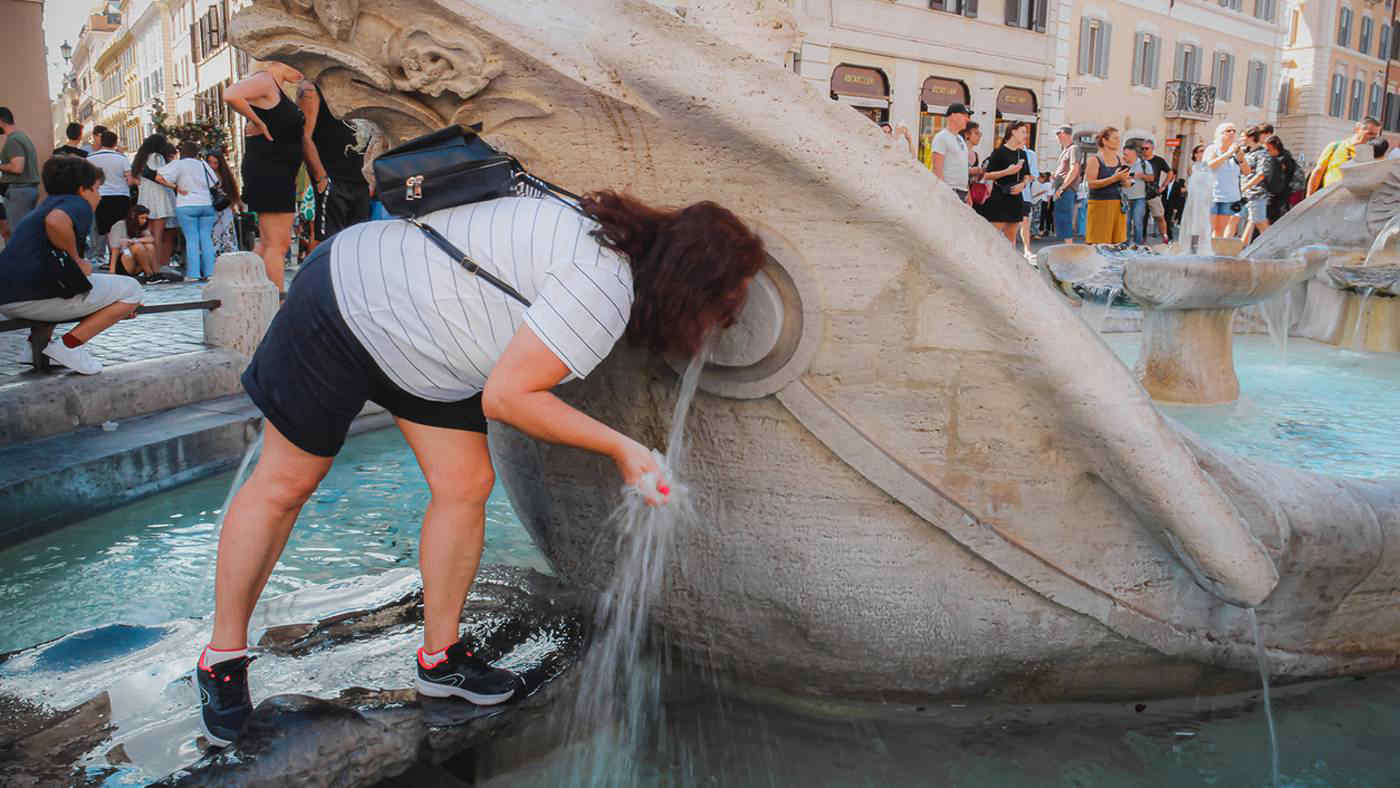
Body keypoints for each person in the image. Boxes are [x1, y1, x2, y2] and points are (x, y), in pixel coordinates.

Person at [193, 189, 767, 747]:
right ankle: (221, 658)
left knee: (466, 483)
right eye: (722, 308)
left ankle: (439, 660)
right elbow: (508, 400)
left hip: (424, 342)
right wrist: (624, 449)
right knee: (286, 483)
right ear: (690, 290)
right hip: (345, 303)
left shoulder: (612, 240)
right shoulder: (603, 292)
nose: (721, 325)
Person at [0, 157, 143, 374]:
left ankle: (34, 347)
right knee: (131, 290)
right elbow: (56, 221)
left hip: (8, 298)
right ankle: (70, 347)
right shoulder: (76, 204)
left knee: (67, 283)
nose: (99, 195)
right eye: (96, 188)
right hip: (30, 299)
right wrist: (76, 260)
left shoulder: (45, 205)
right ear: (82, 189)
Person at [223, 61, 306, 291]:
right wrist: (259, 122)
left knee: (272, 242)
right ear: (281, 60)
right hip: (270, 170)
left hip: (277, 170)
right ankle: (276, 300)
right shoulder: (265, 80)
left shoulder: (275, 87)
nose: (302, 70)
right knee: (276, 244)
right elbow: (230, 94)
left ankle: (244, 289)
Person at [298, 78, 373, 247]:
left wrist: (370, 177)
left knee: (359, 243)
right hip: (333, 180)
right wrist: (321, 179)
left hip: (360, 181)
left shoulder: (359, 83)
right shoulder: (311, 89)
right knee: (329, 245)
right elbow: (303, 136)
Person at [156, 140, 220, 281]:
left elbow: (158, 177)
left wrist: (175, 187)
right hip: (206, 204)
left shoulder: (178, 164)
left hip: (186, 204)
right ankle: (210, 273)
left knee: (192, 239)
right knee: (206, 239)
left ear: (182, 152)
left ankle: (193, 274)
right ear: (196, 153)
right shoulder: (203, 164)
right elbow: (215, 182)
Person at [977, 121, 1031, 244]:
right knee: (992, 238)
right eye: (1023, 132)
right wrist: (1007, 172)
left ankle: (1008, 263)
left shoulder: (1022, 153)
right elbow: (987, 175)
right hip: (999, 197)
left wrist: (1022, 185)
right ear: (1013, 132)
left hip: (1016, 198)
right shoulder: (999, 152)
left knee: (1011, 240)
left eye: (1026, 132)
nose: (1025, 135)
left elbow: (1027, 175)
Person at [132, 134, 176, 272]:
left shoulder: (140, 158)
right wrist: (176, 187)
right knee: (158, 236)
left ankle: (149, 265)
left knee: (148, 233)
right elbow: (161, 176)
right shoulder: (157, 157)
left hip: (146, 198)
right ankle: (158, 266)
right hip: (159, 198)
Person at [87, 130, 133, 258]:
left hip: (101, 196)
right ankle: (120, 258)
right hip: (121, 196)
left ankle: (110, 258)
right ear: (115, 142)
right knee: (120, 228)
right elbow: (129, 180)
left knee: (106, 230)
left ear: (101, 142)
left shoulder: (90, 158)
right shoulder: (121, 158)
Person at [1307, 116, 1381, 195]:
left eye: (1375, 136)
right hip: (1328, 200)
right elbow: (1318, 173)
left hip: (1352, 203)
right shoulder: (1335, 147)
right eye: (1370, 134)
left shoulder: (1372, 154)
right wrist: (1308, 199)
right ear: (1357, 129)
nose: (1372, 138)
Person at [1083, 126, 1130, 245]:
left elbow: (1127, 183)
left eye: (1118, 138)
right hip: (1100, 205)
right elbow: (1091, 184)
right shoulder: (1094, 159)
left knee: (1117, 245)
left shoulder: (1120, 160)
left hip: (1118, 205)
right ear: (1104, 140)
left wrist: (1125, 181)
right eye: (1115, 138)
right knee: (1098, 245)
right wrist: (1114, 178)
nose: (1118, 141)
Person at [1202, 122, 1250, 239]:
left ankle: (1215, 255)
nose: (1232, 133)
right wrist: (1228, 153)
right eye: (1228, 131)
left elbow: (1247, 172)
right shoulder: (1212, 149)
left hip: (1229, 197)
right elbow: (1209, 166)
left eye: (1234, 131)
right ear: (1219, 134)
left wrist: (1241, 159)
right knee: (1208, 229)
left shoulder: (1237, 152)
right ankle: (1200, 253)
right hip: (1212, 195)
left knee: (1220, 232)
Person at [0, 107, 42, 226]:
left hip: (19, 192)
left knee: (18, 232)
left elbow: (17, 167)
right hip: (25, 191)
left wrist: (1, 166)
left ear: (1, 121)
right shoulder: (21, 137)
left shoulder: (13, 140)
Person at [1241, 135, 1283, 246]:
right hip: (1248, 194)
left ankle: (1273, 246)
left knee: (1260, 222)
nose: (1240, 139)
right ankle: (1242, 247)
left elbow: (1261, 175)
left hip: (1257, 193)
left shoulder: (1262, 154)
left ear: (1250, 137)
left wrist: (1245, 187)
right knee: (1253, 221)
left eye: (1242, 136)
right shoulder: (1247, 152)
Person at [930, 103, 972, 204]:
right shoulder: (941, 137)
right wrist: (944, 193)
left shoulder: (960, 139)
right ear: (953, 116)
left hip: (962, 192)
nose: (968, 119)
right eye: (964, 115)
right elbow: (937, 168)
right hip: (950, 191)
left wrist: (968, 193)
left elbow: (963, 169)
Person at [206, 150, 243, 255]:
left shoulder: (225, 176)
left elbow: (231, 193)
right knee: (214, 236)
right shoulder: (205, 176)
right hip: (211, 210)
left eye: (215, 163)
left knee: (227, 235)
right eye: (209, 162)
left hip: (224, 211)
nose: (212, 165)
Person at [109, 203, 158, 278]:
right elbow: (115, 250)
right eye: (142, 218)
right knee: (138, 247)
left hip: (136, 262)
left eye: (146, 218)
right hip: (123, 261)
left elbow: (151, 239)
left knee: (150, 246)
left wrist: (133, 240)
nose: (144, 221)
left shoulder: (141, 227)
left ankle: (155, 272)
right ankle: (149, 274)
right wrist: (112, 272)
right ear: (133, 216)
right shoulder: (120, 225)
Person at [1051, 125, 1081, 244]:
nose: (1057, 136)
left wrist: (1062, 188)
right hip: (1062, 188)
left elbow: (1075, 169)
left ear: (1064, 134)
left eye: (1059, 134)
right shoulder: (1066, 150)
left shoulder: (1073, 148)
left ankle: (1068, 248)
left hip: (1066, 189)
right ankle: (1066, 247)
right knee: (1061, 218)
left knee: (1064, 218)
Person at [1140, 140, 1169, 241]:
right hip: (1140, 194)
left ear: (1152, 149)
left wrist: (1164, 186)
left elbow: (1170, 172)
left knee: (1159, 217)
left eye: (1146, 148)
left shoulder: (1159, 160)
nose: (1144, 150)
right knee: (1141, 219)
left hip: (1153, 194)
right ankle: (1141, 240)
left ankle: (1165, 237)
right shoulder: (1139, 160)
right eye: (1142, 148)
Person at [1267, 137, 1298, 223]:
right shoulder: (1283, 156)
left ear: (1275, 148)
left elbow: (1286, 175)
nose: (1268, 152)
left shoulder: (1284, 159)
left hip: (1281, 193)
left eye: (1269, 150)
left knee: (1275, 216)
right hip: (1278, 193)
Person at [1018, 142, 1040, 259]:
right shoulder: (1006, 150)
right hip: (1008, 192)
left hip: (1024, 193)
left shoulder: (1030, 154)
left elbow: (1034, 174)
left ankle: (1027, 249)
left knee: (1025, 222)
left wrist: (1022, 183)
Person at [1031, 172, 1054, 237]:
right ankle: (1035, 233)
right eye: (1043, 178)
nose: (1044, 180)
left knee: (1037, 217)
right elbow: (1035, 194)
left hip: (1037, 201)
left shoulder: (1037, 183)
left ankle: (1035, 232)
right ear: (1040, 178)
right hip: (1037, 201)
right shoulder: (1037, 184)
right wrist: (1043, 191)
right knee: (1037, 218)